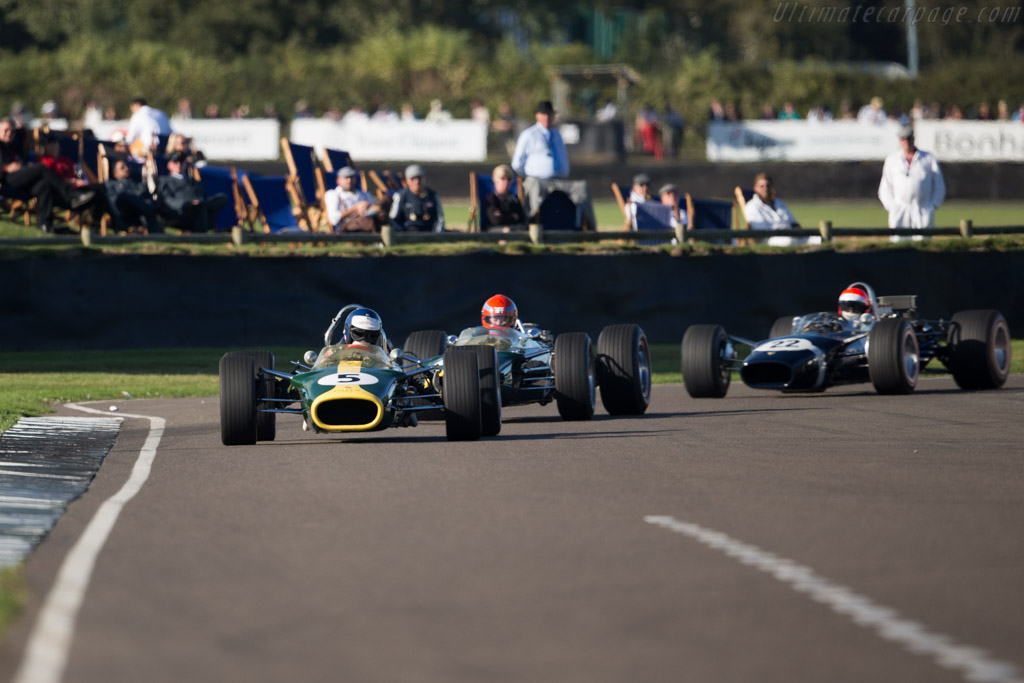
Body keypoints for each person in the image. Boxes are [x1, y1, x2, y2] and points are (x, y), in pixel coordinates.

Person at [511, 101, 596, 229]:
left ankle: (589, 229)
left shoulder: (556, 134)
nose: (546, 117)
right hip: (538, 180)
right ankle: (530, 226)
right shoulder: (528, 135)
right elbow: (517, 163)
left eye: (549, 114)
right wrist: (530, 175)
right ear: (537, 116)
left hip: (559, 180)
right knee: (535, 187)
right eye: (543, 114)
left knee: (581, 188)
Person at [0, 117, 95, 233]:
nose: (9, 133)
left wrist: (25, 166)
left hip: (21, 176)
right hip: (6, 179)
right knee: (41, 168)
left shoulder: (14, 146)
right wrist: (6, 168)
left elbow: (22, 132)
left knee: (43, 185)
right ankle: (71, 194)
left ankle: (45, 225)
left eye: (11, 131)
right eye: (6, 130)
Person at [877, 125, 945, 242]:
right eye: (903, 139)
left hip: (923, 208)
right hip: (900, 209)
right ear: (899, 141)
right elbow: (885, 187)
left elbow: (939, 185)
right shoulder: (892, 159)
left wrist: (933, 205)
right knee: (898, 244)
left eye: (909, 138)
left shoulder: (928, 158)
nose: (906, 142)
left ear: (913, 139)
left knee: (923, 244)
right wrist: (892, 206)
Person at [156, 151, 227, 232]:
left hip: (202, 205)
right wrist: (186, 203)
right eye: (175, 162)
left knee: (222, 197)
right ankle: (202, 236)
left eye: (181, 162)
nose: (178, 165)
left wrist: (201, 201)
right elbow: (168, 199)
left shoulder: (192, 180)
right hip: (182, 211)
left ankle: (218, 228)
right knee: (199, 207)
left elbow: (203, 195)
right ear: (169, 165)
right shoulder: (164, 180)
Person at [744, 172, 819, 246]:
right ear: (755, 188)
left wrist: (798, 231)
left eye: (768, 186)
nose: (765, 189)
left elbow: (794, 223)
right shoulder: (751, 206)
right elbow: (761, 231)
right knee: (790, 241)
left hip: (793, 235)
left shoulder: (780, 203)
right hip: (771, 240)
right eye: (762, 186)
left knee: (820, 239)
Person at [104, 158, 161, 233]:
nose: (126, 168)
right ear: (115, 173)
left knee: (149, 207)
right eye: (122, 168)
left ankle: (158, 236)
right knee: (125, 197)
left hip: (141, 213)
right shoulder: (112, 185)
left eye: (126, 166)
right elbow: (113, 202)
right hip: (126, 212)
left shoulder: (137, 184)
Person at [388, 164, 444, 232]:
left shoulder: (434, 195)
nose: (417, 182)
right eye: (413, 179)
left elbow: (440, 219)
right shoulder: (400, 195)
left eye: (419, 178)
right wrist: (403, 233)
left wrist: (437, 234)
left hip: (430, 229)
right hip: (409, 230)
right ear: (407, 180)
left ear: (424, 178)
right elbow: (393, 219)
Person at [325, 166, 381, 233]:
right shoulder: (333, 194)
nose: (349, 181)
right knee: (369, 221)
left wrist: (368, 206)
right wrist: (356, 208)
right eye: (346, 178)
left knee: (385, 204)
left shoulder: (365, 194)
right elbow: (334, 219)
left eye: (351, 177)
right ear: (338, 181)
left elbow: (375, 209)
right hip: (347, 225)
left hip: (368, 217)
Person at [483, 164, 525, 230]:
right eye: (502, 178)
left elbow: (521, 219)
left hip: (514, 229)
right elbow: (495, 220)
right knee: (506, 230)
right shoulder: (491, 199)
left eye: (509, 179)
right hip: (495, 230)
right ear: (495, 179)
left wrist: (502, 215)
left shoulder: (514, 199)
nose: (506, 182)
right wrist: (512, 216)